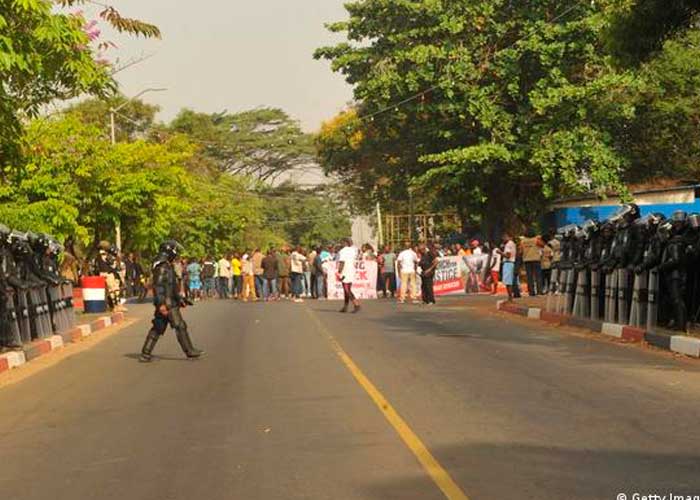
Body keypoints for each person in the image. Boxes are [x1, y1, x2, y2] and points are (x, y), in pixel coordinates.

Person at [140, 240, 204, 362]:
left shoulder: (167, 266)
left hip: (169, 301)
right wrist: (161, 304)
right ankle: (189, 351)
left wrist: (181, 299)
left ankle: (145, 353)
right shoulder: (162, 267)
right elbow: (158, 287)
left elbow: (171, 287)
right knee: (180, 326)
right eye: (175, 251)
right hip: (167, 303)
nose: (176, 254)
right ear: (169, 251)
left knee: (158, 327)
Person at [337, 238, 360, 313]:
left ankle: (356, 304)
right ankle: (345, 306)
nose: (341, 244)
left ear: (345, 243)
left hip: (345, 271)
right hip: (352, 270)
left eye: (342, 242)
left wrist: (339, 272)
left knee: (347, 289)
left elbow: (342, 262)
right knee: (346, 289)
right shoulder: (353, 250)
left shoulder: (343, 251)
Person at [520, 230, 545, 296]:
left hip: (527, 260)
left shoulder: (522, 241)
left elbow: (520, 251)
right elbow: (543, 245)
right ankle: (539, 291)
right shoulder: (536, 240)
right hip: (535, 259)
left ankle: (531, 292)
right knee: (538, 276)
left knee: (529, 277)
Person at [497, 233, 517, 302]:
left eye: (504, 237)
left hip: (508, 263)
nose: (503, 239)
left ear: (509, 237)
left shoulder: (509, 244)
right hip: (510, 263)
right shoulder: (512, 244)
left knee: (508, 282)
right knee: (508, 281)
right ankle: (510, 297)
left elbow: (508, 256)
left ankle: (510, 297)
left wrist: (500, 252)